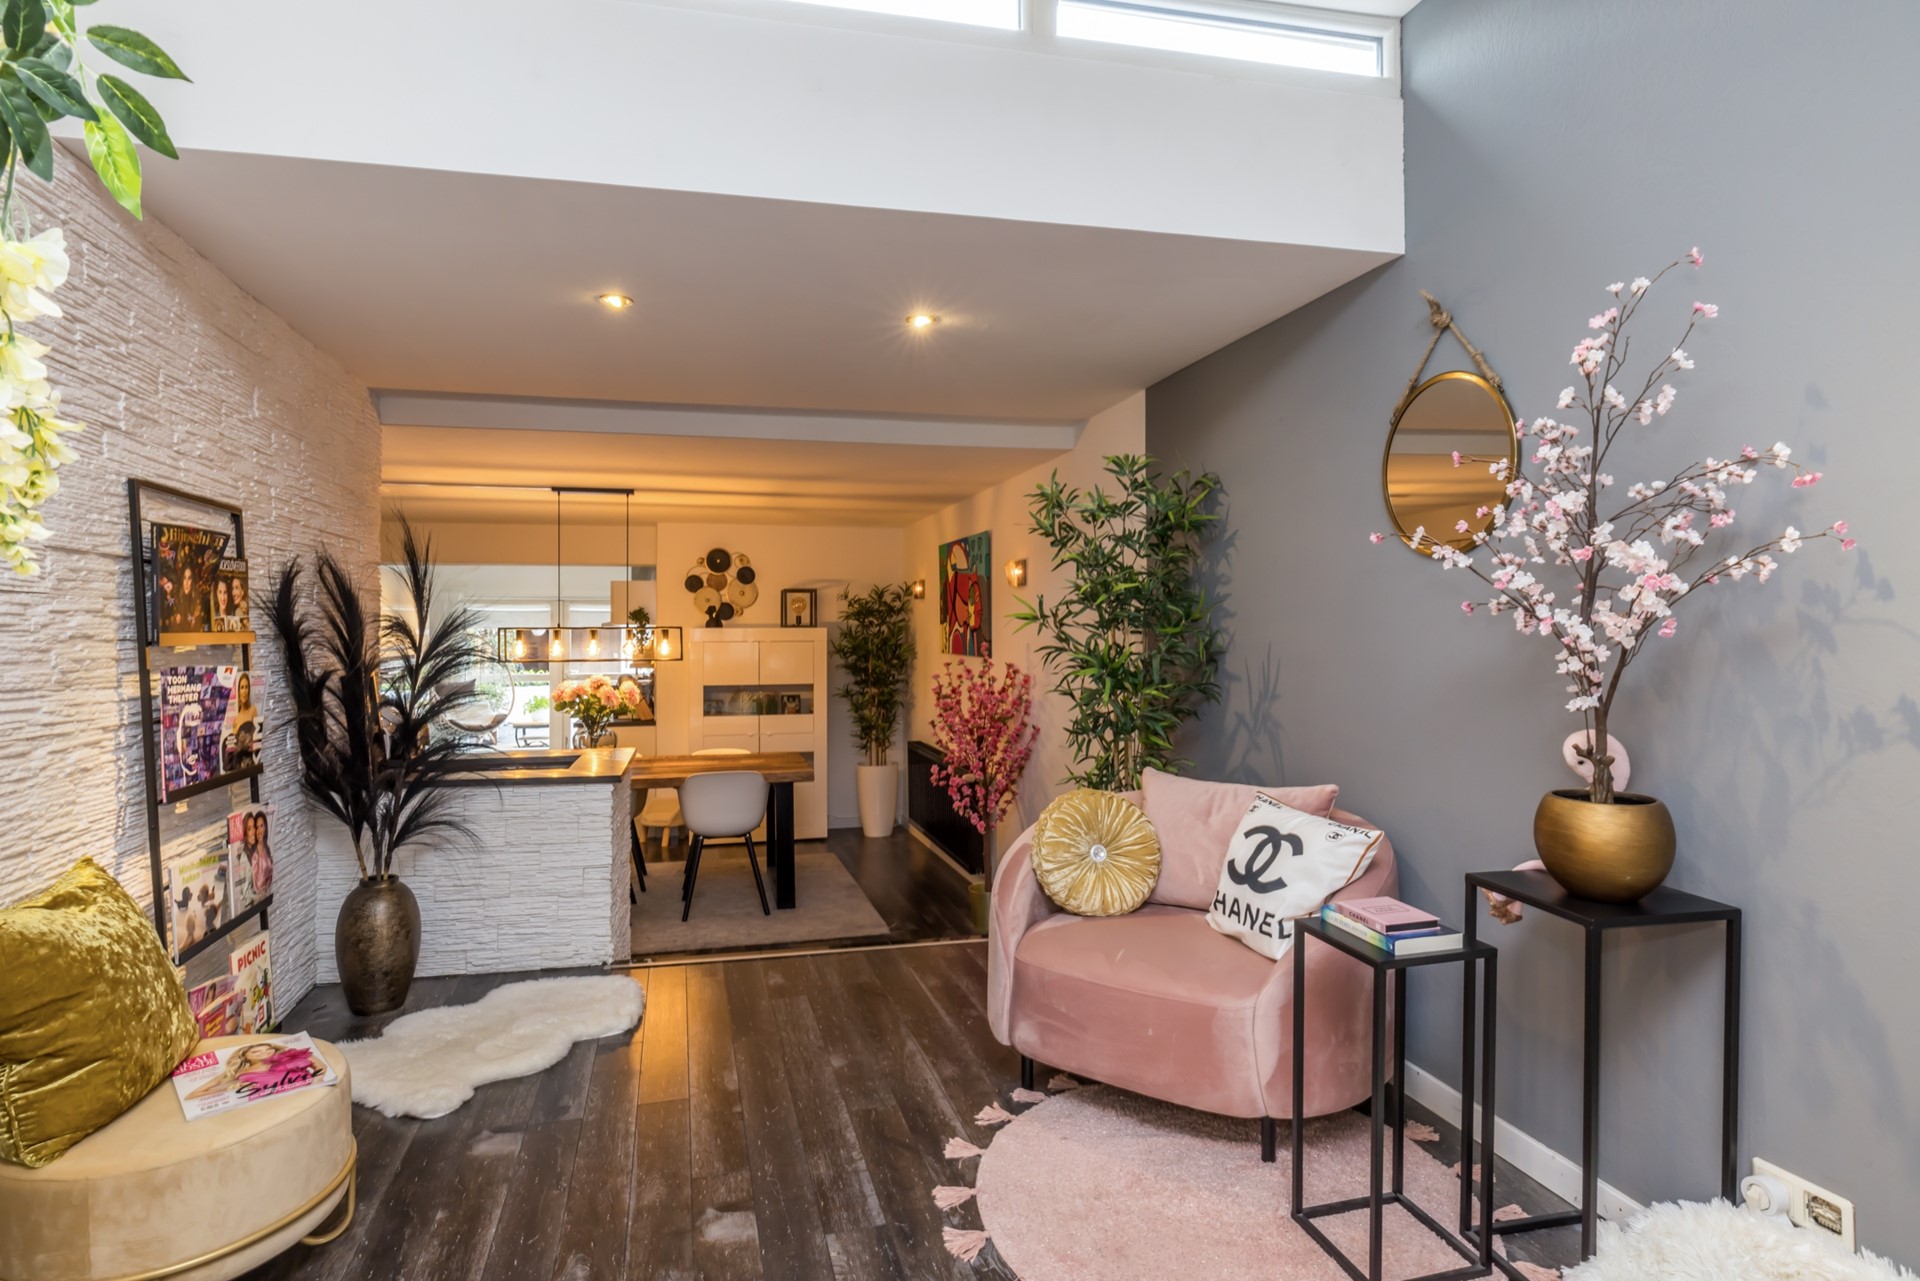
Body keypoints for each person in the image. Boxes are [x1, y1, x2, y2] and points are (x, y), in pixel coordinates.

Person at [249, 810, 274, 898]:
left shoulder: (267, 849)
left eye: (261, 826)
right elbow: (257, 886)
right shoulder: (255, 856)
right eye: (257, 827)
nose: (259, 831)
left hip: (268, 894)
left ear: (265, 827)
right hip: (260, 898)